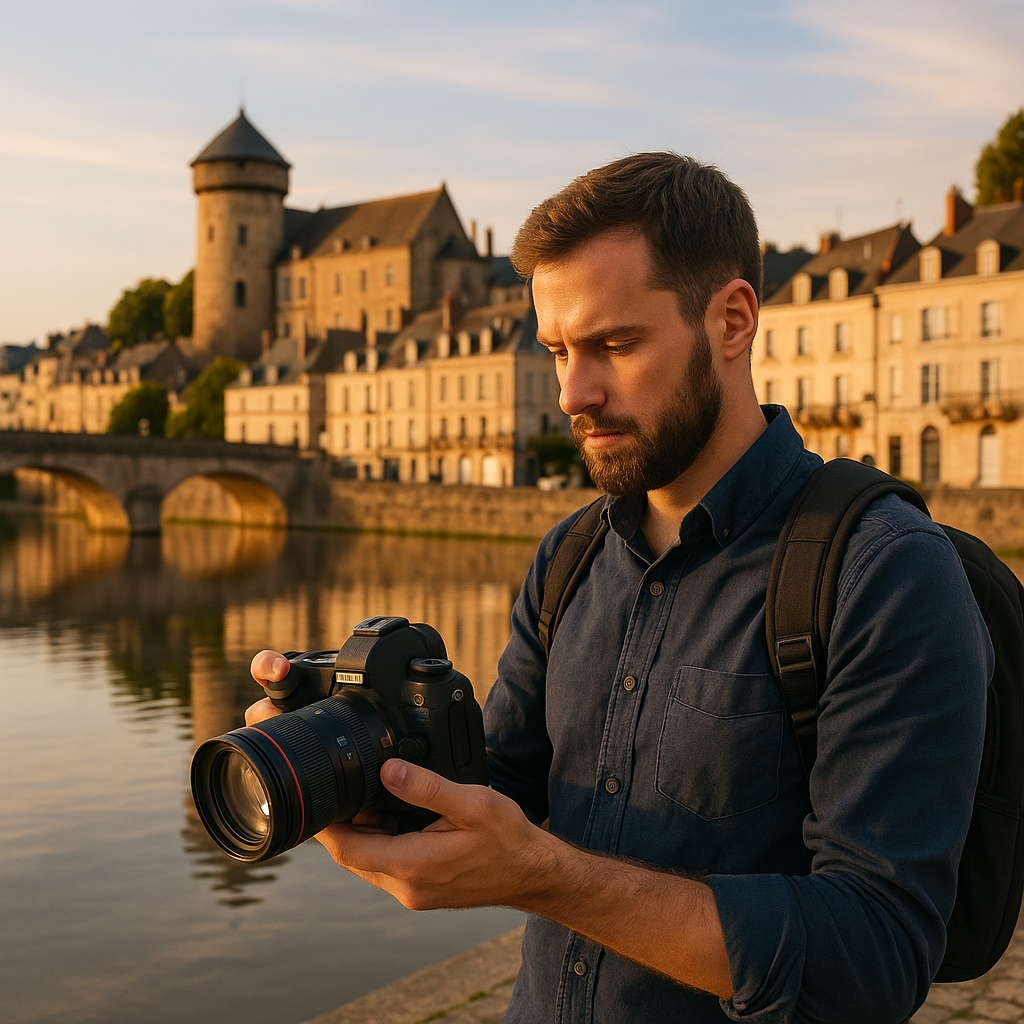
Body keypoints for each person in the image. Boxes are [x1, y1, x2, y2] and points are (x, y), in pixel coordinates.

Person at [247, 153, 993, 1023]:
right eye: (559, 350)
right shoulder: (569, 557)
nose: (573, 392)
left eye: (614, 345)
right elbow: (508, 797)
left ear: (733, 320)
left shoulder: (885, 570)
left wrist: (546, 875)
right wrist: (362, 755)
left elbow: (874, 958)